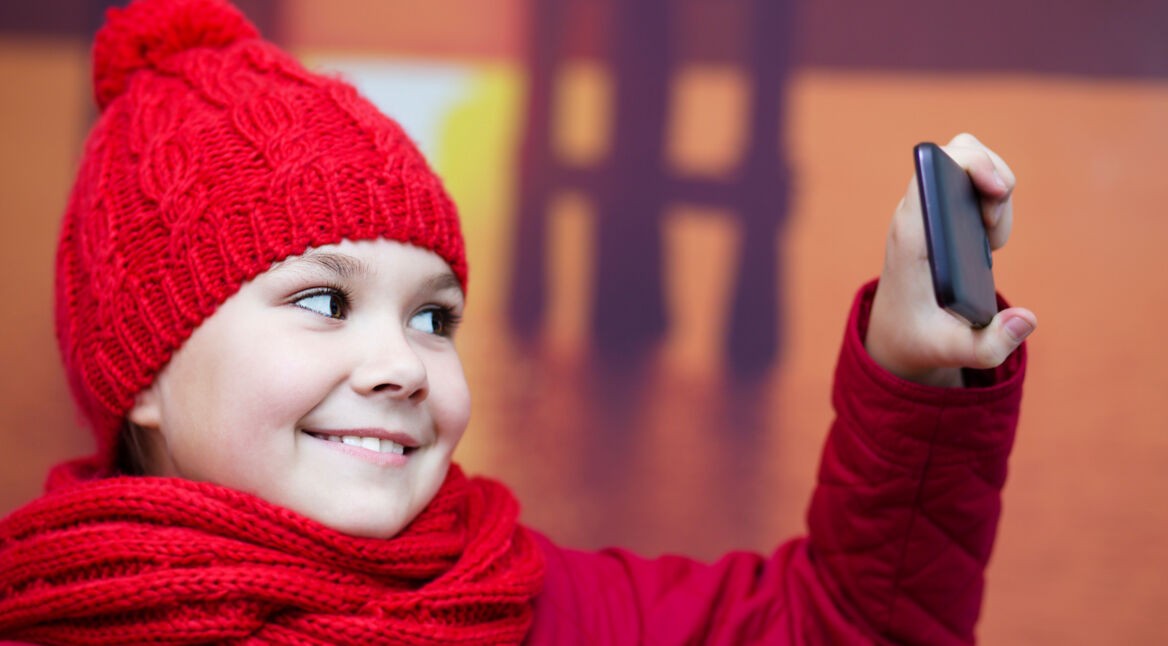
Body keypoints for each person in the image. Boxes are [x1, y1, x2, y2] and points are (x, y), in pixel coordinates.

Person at [0, 0, 1036, 644]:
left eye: (433, 316)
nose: (402, 364)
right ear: (142, 366)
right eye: (324, 300)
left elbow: (846, 624)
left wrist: (914, 372)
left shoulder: (548, 611)